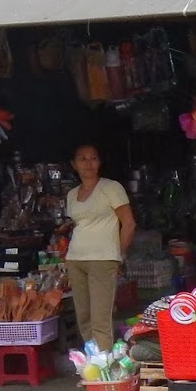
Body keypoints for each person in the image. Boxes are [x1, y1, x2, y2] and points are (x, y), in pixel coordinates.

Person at [63, 144, 135, 352]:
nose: (88, 163)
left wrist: (118, 255)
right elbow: (79, 225)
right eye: (82, 159)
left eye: (93, 158)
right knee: (84, 317)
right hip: (76, 259)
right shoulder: (72, 194)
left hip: (103, 259)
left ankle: (105, 364)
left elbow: (128, 223)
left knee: (100, 318)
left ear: (99, 162)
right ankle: (92, 361)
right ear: (74, 164)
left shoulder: (111, 188)